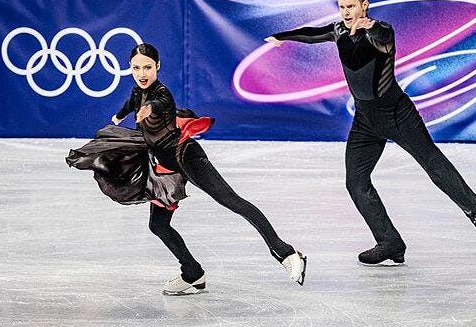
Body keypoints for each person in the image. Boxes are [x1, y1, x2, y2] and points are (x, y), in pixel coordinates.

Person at [265, 0, 476, 266]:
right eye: (342, 7)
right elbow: (312, 34)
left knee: (432, 162)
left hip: (398, 114)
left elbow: (383, 38)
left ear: (365, 5)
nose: (347, 12)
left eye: (352, 6)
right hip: (365, 120)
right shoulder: (338, 30)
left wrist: (367, 26)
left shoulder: (382, 30)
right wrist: (282, 36)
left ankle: (474, 209)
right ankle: (390, 242)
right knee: (356, 182)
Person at [67, 43, 306, 294]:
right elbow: (131, 102)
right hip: (165, 167)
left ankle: (285, 251)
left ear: (157, 67)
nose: (142, 73)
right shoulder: (138, 92)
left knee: (230, 200)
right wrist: (118, 117)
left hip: (186, 157)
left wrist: (149, 109)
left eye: (147, 67)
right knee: (158, 225)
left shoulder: (162, 93)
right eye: (136, 68)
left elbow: (158, 104)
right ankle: (192, 273)